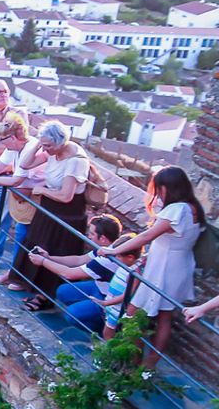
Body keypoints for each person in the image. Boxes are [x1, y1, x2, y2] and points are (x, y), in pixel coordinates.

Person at [104, 165, 205, 367]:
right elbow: (174, 239)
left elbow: (148, 235)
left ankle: (133, 362)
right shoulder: (194, 208)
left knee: (133, 314)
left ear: (167, 187)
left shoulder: (176, 209)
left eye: (159, 188)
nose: (158, 193)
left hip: (164, 268)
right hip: (179, 266)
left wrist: (115, 250)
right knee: (164, 315)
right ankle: (149, 363)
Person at [11, 121, 93, 313]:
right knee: (36, 243)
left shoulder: (75, 160)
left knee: (55, 251)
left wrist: (41, 190)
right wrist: (39, 145)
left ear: (61, 142)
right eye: (44, 145)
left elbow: (66, 196)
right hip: (48, 208)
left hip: (67, 214)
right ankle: (30, 284)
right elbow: (25, 164)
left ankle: (44, 296)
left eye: (48, 145)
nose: (45, 150)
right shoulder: (52, 151)